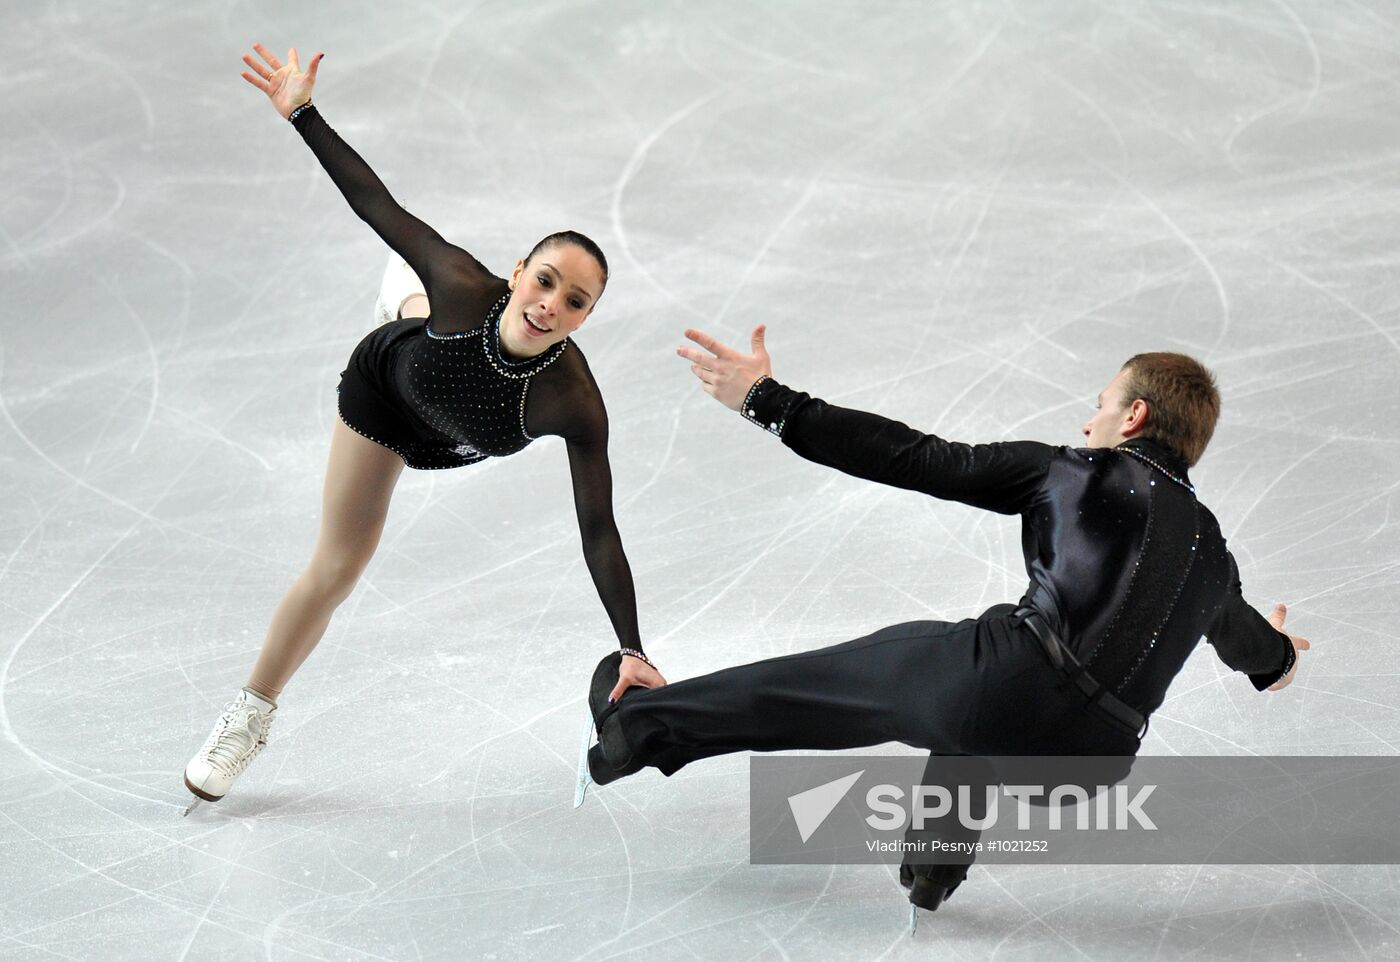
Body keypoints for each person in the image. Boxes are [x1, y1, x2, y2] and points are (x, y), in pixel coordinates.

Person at [579, 323, 1311, 922]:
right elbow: (1251, 645)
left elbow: (916, 458)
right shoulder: (1212, 554)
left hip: (1005, 686)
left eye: (1100, 405)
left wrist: (768, 401)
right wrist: (1279, 655)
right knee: (986, 710)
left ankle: (630, 730)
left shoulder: (1071, 471)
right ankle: (933, 869)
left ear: (1135, 416)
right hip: (1094, 762)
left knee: (824, 687)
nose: (1087, 421)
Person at [181, 44, 665, 812]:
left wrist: (634, 647)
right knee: (338, 566)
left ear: (587, 318)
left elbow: (599, 530)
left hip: (452, 434)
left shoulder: (572, 402)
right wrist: (302, 112)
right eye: (545, 281)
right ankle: (250, 712)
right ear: (518, 273)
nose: (552, 305)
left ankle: (408, 305)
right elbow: (374, 203)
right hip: (387, 393)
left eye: (575, 302)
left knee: (440, 335)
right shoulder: (465, 282)